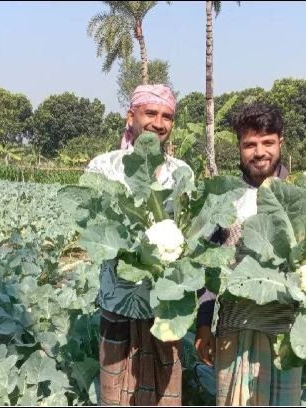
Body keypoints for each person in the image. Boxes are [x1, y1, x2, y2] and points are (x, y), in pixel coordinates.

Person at [84, 84, 192, 406]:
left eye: (167, 116)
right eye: (151, 113)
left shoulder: (182, 173)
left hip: (167, 308)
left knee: (165, 392)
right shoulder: (103, 168)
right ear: (131, 117)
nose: (159, 123)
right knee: (116, 393)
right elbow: (92, 231)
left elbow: (191, 233)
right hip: (119, 301)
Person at [194, 102, 301, 406]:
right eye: (249, 144)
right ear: (239, 147)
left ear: (280, 142)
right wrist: (204, 324)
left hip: (284, 334)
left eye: (267, 143)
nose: (259, 152)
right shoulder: (225, 198)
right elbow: (207, 266)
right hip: (233, 326)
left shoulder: (299, 196)